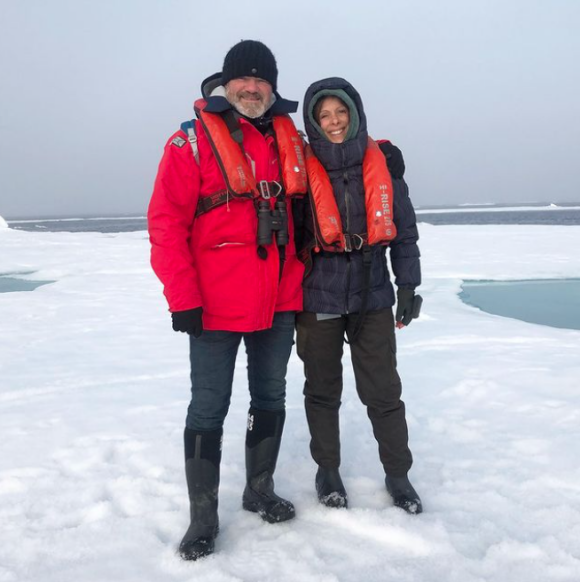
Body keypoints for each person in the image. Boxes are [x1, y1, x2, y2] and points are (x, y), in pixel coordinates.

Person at [147, 40, 310, 561]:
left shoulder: (292, 138)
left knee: (270, 397)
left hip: (279, 300)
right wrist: (181, 296)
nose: (253, 88)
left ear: (273, 86)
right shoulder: (188, 143)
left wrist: (385, 154)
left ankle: (258, 489)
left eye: (263, 80)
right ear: (226, 82)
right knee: (209, 405)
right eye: (244, 79)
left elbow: (342, 151)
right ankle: (202, 517)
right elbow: (165, 223)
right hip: (212, 305)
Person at [294, 77, 423, 514]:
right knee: (323, 390)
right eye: (323, 115)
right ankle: (327, 470)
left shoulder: (383, 160)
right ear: (314, 121)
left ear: (354, 113)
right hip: (319, 295)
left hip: (373, 293)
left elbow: (404, 231)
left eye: (340, 112)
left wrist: (408, 284)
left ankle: (398, 475)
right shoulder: (297, 164)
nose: (333, 122)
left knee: (384, 391)